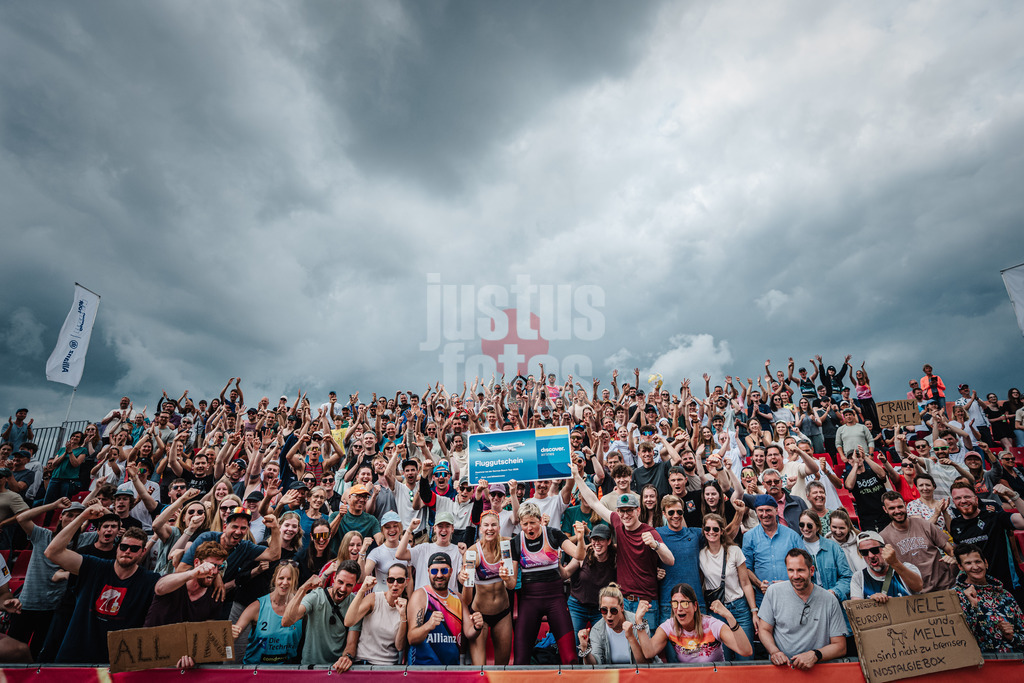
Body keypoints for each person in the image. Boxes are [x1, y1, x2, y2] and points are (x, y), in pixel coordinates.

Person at [44, 503, 160, 664]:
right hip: (76, 655)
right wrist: (83, 517)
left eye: (134, 549)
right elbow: (52, 552)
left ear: (143, 552)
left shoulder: (149, 580)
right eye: (124, 547)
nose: (127, 551)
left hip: (115, 662)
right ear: (118, 547)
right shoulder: (94, 565)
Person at [572, 464, 674, 615]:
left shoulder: (649, 532)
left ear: (638, 511)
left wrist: (655, 545)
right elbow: (593, 502)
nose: (625, 515)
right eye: (622, 511)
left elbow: (670, 560)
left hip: (646, 603)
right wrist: (577, 476)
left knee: (647, 639)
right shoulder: (618, 523)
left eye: (629, 511)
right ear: (617, 512)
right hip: (623, 601)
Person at [509, 502, 586, 665]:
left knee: (570, 657)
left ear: (540, 520)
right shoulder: (516, 542)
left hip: (555, 598)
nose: (529, 528)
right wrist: (504, 577)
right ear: (520, 524)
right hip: (529, 600)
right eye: (525, 524)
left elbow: (579, 555)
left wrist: (580, 539)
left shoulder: (553, 534)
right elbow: (511, 584)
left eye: (532, 523)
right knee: (520, 659)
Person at [7, 498, 85, 659]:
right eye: (69, 515)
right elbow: (21, 518)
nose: (72, 520)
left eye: (77, 517)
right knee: (12, 653)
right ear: (60, 517)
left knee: (41, 655)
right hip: (27, 604)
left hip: (54, 609)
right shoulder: (43, 535)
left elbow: (112, 527)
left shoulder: (85, 539)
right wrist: (54, 505)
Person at [758, 549, 847, 668]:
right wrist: (774, 652)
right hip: (783, 669)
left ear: (811, 570)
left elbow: (840, 646)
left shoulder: (829, 600)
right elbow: (764, 629)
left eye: (800, 570)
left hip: (817, 669)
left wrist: (815, 655)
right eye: (790, 570)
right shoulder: (773, 592)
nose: (795, 576)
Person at [948, 481, 1024, 606]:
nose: (963, 501)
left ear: (976, 499)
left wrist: (1012, 495)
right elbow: (959, 553)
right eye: (958, 498)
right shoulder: (955, 525)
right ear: (954, 502)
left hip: (1008, 585)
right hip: (978, 591)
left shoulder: (995, 517)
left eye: (967, 496)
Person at [635, 583, 752, 663]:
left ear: (695, 606)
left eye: (684, 603)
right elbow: (649, 652)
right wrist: (639, 620)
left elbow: (746, 651)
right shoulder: (669, 627)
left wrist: (729, 616)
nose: (679, 608)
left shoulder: (712, 625)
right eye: (675, 603)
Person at [459, 510, 517, 665]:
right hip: (480, 616)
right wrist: (464, 581)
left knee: (502, 668)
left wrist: (506, 578)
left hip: (503, 614)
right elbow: (466, 599)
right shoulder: (473, 552)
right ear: (480, 528)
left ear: (499, 527)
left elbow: (511, 586)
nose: (489, 528)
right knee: (480, 670)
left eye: (493, 525)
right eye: (486, 525)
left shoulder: (508, 545)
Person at [282, 560, 362, 668]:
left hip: (336, 668)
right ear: (334, 578)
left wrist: (346, 658)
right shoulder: (317, 596)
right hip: (311, 666)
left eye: (349, 585)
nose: (343, 589)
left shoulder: (354, 604)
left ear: (355, 585)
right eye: (340, 582)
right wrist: (303, 589)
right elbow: (287, 621)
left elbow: (351, 644)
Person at [699, 512, 757, 660]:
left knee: (745, 655)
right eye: (708, 529)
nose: (711, 532)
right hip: (717, 610)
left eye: (715, 529)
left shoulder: (734, 551)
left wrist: (754, 612)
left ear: (722, 531)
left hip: (739, 608)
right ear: (703, 531)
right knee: (723, 657)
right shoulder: (701, 555)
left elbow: (745, 583)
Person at [952, 543, 1024, 653]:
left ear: (986, 563)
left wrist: (1012, 636)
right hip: (980, 666)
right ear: (960, 567)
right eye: (968, 563)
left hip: (1012, 663)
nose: (975, 567)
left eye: (978, 561)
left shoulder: (1005, 595)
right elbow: (957, 639)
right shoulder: (955, 596)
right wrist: (973, 607)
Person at [879, 492, 956, 593]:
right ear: (885, 509)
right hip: (916, 593)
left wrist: (953, 558)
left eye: (900, 506)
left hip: (945, 585)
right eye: (892, 508)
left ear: (905, 505)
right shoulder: (883, 537)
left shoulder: (924, 524)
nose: (897, 511)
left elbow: (950, 550)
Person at [408, 552, 476, 665]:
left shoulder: (458, 597)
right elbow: (411, 638)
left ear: (451, 572)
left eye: (444, 570)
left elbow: (470, 632)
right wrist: (428, 625)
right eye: (435, 571)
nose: (439, 575)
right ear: (428, 572)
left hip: (451, 669)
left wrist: (477, 626)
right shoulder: (421, 595)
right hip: (423, 669)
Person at [144, 541, 229, 626]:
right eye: (211, 565)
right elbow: (159, 588)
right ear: (196, 563)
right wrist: (193, 573)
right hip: (154, 637)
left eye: (219, 567)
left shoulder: (215, 594)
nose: (215, 571)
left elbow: (208, 627)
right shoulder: (177, 581)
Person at [234, 562, 304, 665]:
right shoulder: (257, 606)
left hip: (286, 671)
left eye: (289, 579)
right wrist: (231, 633)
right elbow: (233, 635)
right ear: (274, 579)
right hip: (256, 670)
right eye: (281, 578)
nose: (285, 582)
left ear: (294, 581)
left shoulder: (300, 606)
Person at [742, 494, 804, 608]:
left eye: (768, 510)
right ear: (756, 511)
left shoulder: (792, 536)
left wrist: (789, 584)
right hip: (764, 598)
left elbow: (804, 565)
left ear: (776, 510)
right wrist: (759, 584)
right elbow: (746, 568)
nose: (764, 514)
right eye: (760, 511)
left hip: (791, 594)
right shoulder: (749, 537)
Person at [562, 522, 616, 647]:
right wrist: (557, 563)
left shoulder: (615, 557)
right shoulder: (583, 553)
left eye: (601, 539)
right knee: (574, 643)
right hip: (577, 605)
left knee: (601, 644)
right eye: (594, 539)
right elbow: (566, 573)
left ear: (608, 541)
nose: (597, 543)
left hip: (600, 609)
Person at [344, 564, 409, 665]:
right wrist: (362, 590)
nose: (395, 584)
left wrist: (403, 616)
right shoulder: (374, 599)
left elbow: (399, 646)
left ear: (406, 582)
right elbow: (348, 621)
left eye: (400, 580)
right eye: (391, 580)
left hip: (388, 667)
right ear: (386, 581)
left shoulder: (406, 607)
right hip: (364, 663)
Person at [578, 584, 648, 665]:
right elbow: (595, 666)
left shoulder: (638, 623)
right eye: (604, 610)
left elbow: (645, 664)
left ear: (622, 607)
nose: (608, 615)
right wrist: (584, 649)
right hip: (612, 676)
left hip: (637, 675)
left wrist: (631, 637)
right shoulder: (597, 630)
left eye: (613, 610)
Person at [796, 510, 852, 603]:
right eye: (802, 525)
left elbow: (847, 577)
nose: (805, 529)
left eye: (809, 525)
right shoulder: (795, 549)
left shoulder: (833, 547)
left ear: (817, 527)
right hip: (807, 602)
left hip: (832, 601)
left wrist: (835, 591)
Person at [849, 531, 923, 601]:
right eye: (864, 552)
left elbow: (918, 587)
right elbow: (856, 608)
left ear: (884, 548)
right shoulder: (859, 577)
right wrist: (870, 602)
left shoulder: (906, 567)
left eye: (875, 550)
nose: (870, 555)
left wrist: (895, 562)